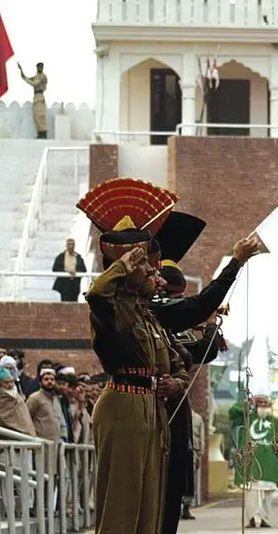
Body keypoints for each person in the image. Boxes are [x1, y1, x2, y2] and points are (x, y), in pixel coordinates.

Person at [76, 178, 190, 534]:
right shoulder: (111, 308)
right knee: (122, 505)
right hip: (122, 404)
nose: (153, 272)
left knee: (149, 505)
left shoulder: (144, 315)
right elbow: (96, 292)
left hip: (149, 406)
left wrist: (178, 382)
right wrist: (123, 264)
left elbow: (177, 363)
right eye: (146, 266)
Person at [146, 211, 259, 534]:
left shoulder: (154, 313)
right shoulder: (143, 309)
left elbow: (190, 355)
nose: (156, 279)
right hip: (146, 414)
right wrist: (234, 263)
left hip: (167, 414)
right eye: (150, 272)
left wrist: (209, 329)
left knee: (168, 496)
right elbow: (194, 311)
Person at [230, 394, 278, 528]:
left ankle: (264, 519)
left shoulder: (276, 423)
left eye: (266, 405)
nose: (263, 408)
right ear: (256, 406)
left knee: (267, 494)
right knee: (251, 493)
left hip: (269, 464)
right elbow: (233, 412)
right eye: (261, 405)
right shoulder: (246, 418)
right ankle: (251, 518)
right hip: (251, 463)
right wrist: (247, 402)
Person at [0, 368, 36, 437]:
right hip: (9, 436)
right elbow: (1, 418)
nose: (10, 385)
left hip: (26, 433)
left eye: (11, 381)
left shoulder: (17, 395)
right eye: (6, 382)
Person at [18, 62, 48, 139]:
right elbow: (26, 78)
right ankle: (40, 133)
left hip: (40, 96)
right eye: (38, 67)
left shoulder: (43, 76)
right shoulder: (36, 76)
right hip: (36, 97)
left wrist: (26, 79)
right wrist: (21, 71)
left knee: (40, 115)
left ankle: (43, 133)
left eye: (41, 67)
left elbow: (35, 84)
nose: (40, 68)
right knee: (36, 116)